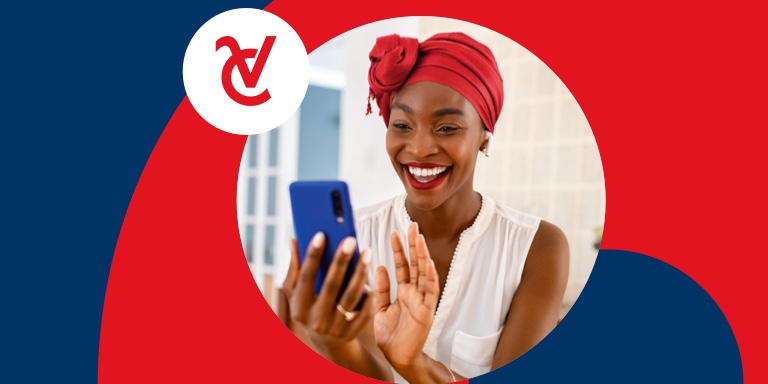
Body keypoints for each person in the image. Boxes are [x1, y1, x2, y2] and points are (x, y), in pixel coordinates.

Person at [281, 31, 569, 383]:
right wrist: (333, 345)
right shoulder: (353, 241)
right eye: (401, 125)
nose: (418, 149)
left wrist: (413, 364)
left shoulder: (538, 248)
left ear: (484, 135)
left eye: (447, 127)